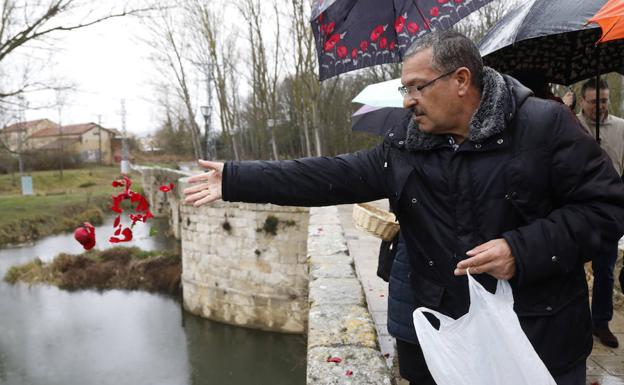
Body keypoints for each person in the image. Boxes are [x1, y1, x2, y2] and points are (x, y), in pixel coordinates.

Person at [183, 31, 624, 385]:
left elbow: (605, 210)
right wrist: (235, 179)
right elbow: (327, 175)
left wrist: (522, 250)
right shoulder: (406, 143)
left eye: (417, 86)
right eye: (404, 88)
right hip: (452, 339)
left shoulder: (542, 126)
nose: (408, 99)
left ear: (462, 81)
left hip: (539, 336)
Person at [576, 77, 624, 348]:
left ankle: (601, 322)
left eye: (604, 100)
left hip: (609, 209)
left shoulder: (621, 127)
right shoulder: (572, 124)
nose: (600, 106)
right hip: (578, 206)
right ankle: (577, 321)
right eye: (594, 102)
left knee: (605, 269)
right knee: (572, 269)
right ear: (584, 101)